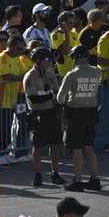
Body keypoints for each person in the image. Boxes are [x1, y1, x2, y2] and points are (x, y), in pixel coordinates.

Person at [56, 45, 103, 192]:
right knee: (88, 148)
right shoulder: (97, 71)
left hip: (76, 113)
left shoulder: (72, 75)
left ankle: (77, 181)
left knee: (76, 149)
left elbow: (60, 98)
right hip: (91, 111)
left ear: (75, 58)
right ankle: (95, 179)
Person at [22, 48, 63, 187]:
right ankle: (38, 175)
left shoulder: (50, 74)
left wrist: (52, 97)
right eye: (46, 60)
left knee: (54, 144)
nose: (49, 62)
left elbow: (57, 93)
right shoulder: (30, 77)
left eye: (50, 60)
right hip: (37, 114)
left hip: (51, 112)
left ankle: (55, 173)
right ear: (38, 61)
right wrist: (51, 96)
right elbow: (34, 99)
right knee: (38, 146)